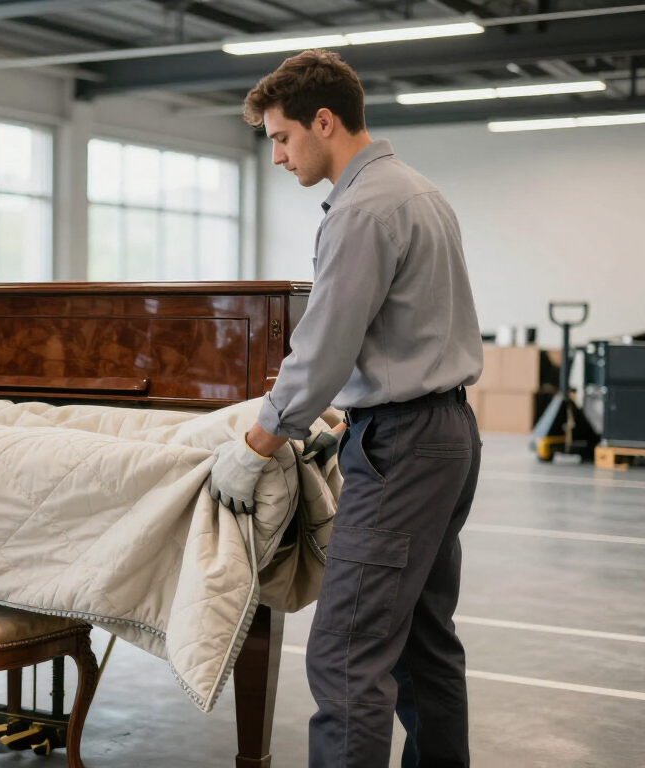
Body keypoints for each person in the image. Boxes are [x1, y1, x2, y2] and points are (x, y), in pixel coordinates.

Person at [209, 50, 483, 768]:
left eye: (281, 136)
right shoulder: (418, 191)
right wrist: (345, 415)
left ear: (323, 121)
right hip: (447, 433)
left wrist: (258, 443)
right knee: (424, 647)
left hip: (405, 447)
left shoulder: (363, 209)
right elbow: (394, 334)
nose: (275, 156)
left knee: (347, 654)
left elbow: (322, 348)